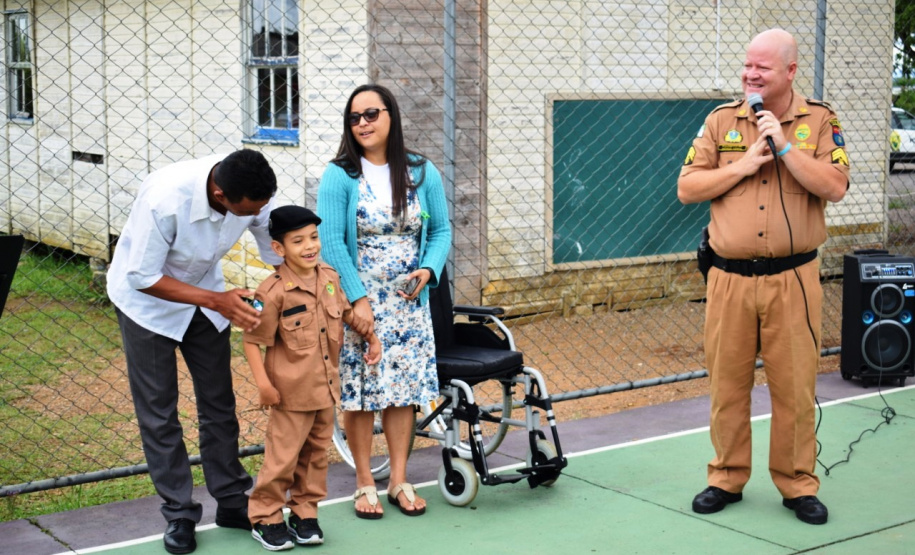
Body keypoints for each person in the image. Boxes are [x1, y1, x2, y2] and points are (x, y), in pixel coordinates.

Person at [677, 28, 849, 525]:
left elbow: (836, 186)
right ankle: (726, 477)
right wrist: (744, 165)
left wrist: (787, 150)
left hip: (792, 279)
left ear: (790, 71)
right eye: (747, 65)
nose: (750, 75)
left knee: (793, 389)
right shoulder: (721, 121)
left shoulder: (820, 120)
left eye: (762, 67)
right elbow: (688, 188)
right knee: (727, 385)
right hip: (728, 279)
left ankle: (797, 484)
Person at [107, 149, 283, 554]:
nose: (257, 214)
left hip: (206, 295)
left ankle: (232, 501)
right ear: (220, 195)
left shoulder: (251, 187)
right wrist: (217, 300)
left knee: (219, 402)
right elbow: (142, 276)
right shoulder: (165, 199)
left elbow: (275, 252)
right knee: (159, 411)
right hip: (146, 306)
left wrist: (294, 290)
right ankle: (179, 513)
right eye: (248, 211)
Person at [316, 84, 451, 519]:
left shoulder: (421, 171)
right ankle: (363, 482)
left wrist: (428, 269)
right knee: (361, 391)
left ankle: (398, 480)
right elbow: (330, 241)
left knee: (402, 391)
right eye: (354, 118)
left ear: (391, 115)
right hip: (361, 301)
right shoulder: (339, 174)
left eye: (371, 114)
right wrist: (357, 301)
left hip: (409, 303)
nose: (363, 124)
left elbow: (441, 230)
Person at [243, 205, 382, 550]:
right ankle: (265, 517)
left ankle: (305, 513)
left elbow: (346, 313)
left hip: (325, 390)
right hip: (290, 394)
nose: (309, 246)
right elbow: (251, 340)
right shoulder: (272, 291)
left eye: (314, 237)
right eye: (298, 241)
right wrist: (264, 385)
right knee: (282, 459)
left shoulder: (329, 277)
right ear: (279, 248)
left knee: (316, 457)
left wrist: (372, 337)